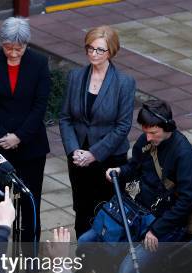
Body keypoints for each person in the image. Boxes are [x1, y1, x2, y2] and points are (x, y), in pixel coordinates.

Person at [95, 100, 192, 273]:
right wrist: (119, 171)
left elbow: (187, 201)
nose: (148, 137)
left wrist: (158, 230)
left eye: (153, 132)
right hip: (141, 213)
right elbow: (134, 166)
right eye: (145, 131)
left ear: (167, 127)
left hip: (168, 225)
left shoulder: (185, 155)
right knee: (99, 242)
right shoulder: (146, 142)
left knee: (131, 270)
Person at [0, 16, 50, 245]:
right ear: (2, 43)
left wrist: (19, 136)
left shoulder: (39, 62)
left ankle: (30, 263)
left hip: (30, 147)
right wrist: (1, 136)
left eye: (19, 48)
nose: (14, 53)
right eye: (9, 47)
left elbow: (40, 105)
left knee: (29, 205)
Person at [60, 25, 135, 238]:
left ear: (111, 51)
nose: (94, 54)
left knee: (108, 213)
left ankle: (105, 263)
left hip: (108, 158)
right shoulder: (75, 77)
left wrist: (94, 153)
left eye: (100, 50)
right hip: (78, 158)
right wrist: (74, 150)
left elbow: (123, 126)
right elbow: (65, 118)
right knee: (81, 211)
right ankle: (83, 264)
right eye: (90, 48)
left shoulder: (124, 83)